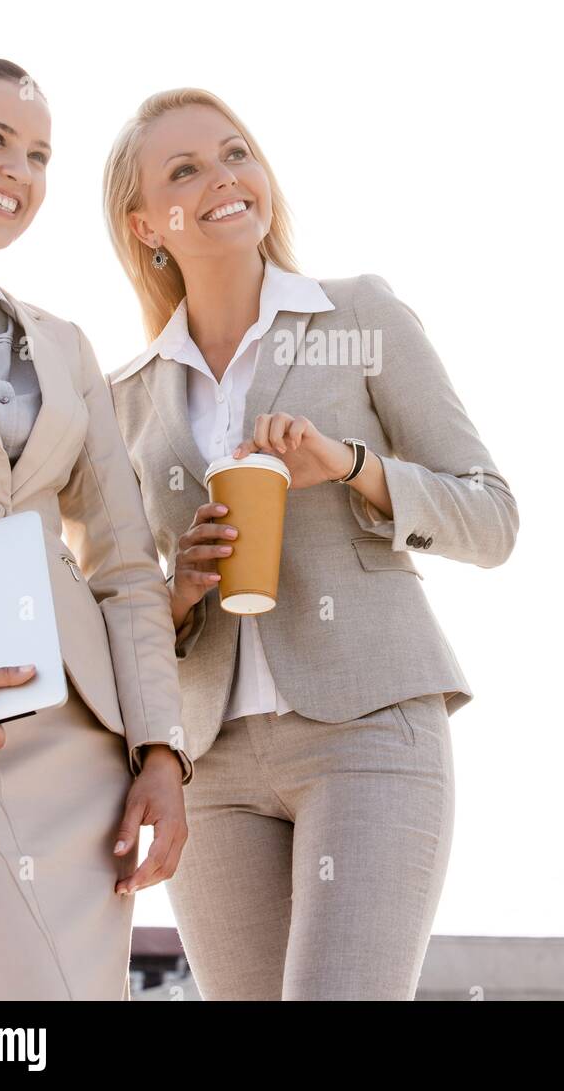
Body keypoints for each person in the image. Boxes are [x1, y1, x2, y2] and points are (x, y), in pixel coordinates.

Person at [103, 86, 519, 1000]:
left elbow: (492, 519)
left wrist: (354, 467)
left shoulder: (357, 315)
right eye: (185, 170)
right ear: (146, 225)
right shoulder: (122, 396)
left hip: (370, 728)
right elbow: (111, 603)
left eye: (235, 151)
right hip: (209, 763)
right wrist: (178, 591)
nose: (225, 178)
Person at [0, 59, 189, 1001]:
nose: (18, 169)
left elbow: (126, 564)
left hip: (85, 748)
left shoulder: (62, 344)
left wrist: (160, 751)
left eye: (39, 154)